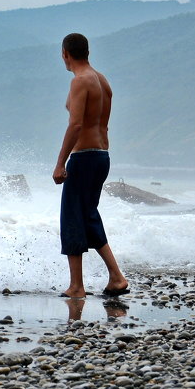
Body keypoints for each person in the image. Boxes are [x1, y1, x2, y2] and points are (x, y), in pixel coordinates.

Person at [52, 33, 130, 299]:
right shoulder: (101, 80)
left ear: (65, 53)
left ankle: (76, 286)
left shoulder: (80, 81)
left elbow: (74, 124)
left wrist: (60, 162)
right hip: (101, 156)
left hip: (84, 157)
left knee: (73, 217)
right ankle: (116, 277)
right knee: (88, 216)